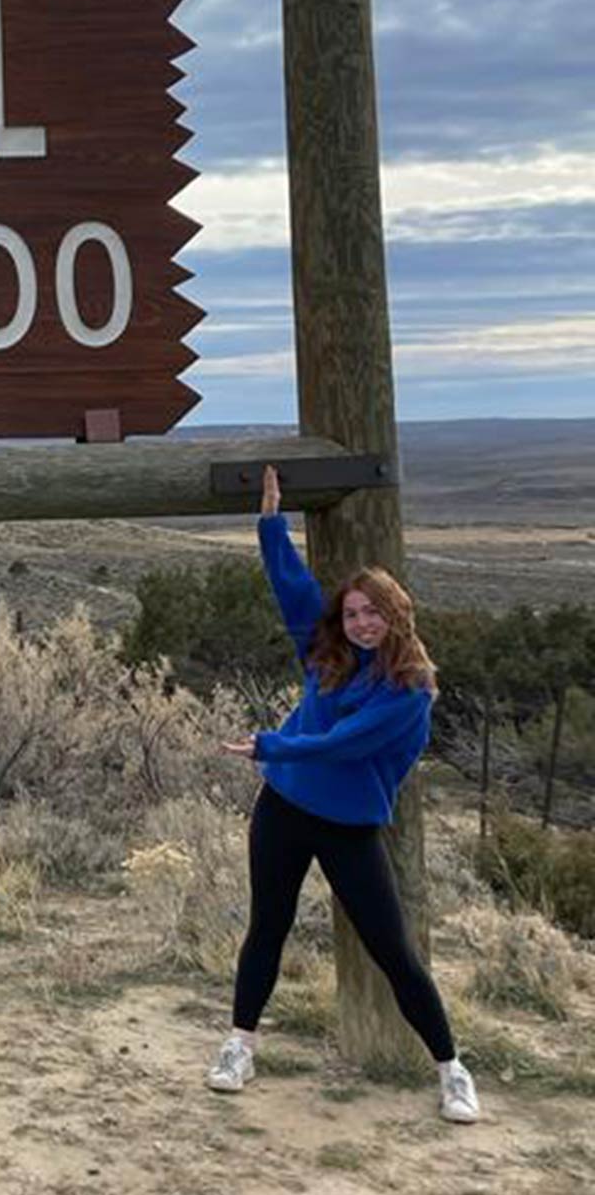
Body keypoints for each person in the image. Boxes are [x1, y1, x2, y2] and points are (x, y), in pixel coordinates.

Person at [209, 464, 478, 1123]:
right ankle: (240, 1045)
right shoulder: (324, 650)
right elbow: (292, 589)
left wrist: (271, 744)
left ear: (396, 616)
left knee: (393, 950)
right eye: (353, 612)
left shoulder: (409, 692)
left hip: (348, 824)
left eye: (373, 613)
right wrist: (271, 522)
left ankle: (452, 1069)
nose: (361, 623)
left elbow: (343, 744)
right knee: (266, 928)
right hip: (284, 810)